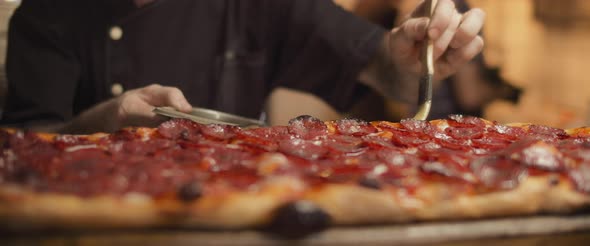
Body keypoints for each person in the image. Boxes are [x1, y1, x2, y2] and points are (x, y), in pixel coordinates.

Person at [1, 0, 485, 134]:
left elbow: (387, 72)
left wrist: (413, 61)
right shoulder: (45, 15)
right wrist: (97, 124)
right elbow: (21, 156)